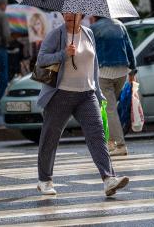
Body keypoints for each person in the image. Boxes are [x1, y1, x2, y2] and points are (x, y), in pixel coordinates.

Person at [36, 12, 129, 196]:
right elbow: (42, 59)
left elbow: (93, 65)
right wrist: (64, 54)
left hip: (87, 95)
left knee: (97, 135)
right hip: (61, 94)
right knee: (50, 138)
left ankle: (109, 179)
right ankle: (44, 180)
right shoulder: (57, 34)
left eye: (73, 13)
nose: (68, 15)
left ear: (81, 15)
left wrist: (97, 92)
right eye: (66, 13)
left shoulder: (88, 33)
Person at [90, 17, 137, 156]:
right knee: (109, 107)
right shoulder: (120, 25)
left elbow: (89, 52)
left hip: (103, 73)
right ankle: (110, 142)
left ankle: (120, 145)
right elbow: (129, 47)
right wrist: (133, 71)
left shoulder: (93, 29)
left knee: (108, 108)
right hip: (122, 71)